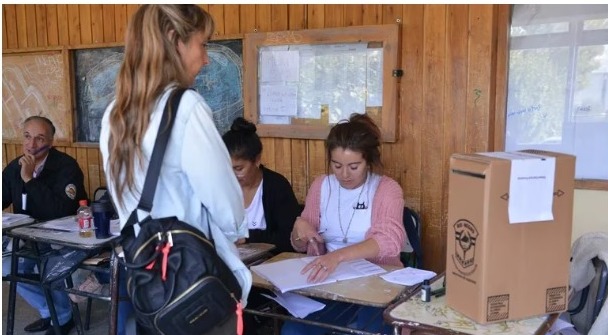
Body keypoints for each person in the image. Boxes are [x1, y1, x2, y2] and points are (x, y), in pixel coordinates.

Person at [99, 4, 252, 332]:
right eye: (203, 44)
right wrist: (235, 232)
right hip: (194, 278)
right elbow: (225, 200)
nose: (206, 58)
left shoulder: (114, 113)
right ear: (174, 40)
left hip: (148, 278)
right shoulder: (186, 106)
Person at [282, 113, 406, 335]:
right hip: (330, 284)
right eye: (337, 165)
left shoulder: (386, 189)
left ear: (368, 162)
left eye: (354, 166)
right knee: (293, 331)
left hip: (378, 284)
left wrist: (335, 257)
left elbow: (389, 242)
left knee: (370, 330)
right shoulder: (321, 186)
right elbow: (300, 245)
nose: (344, 174)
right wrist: (299, 228)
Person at [2, 115, 87, 335]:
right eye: (27, 137)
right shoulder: (15, 167)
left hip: (61, 239)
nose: (31, 145)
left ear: (51, 141)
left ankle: (64, 317)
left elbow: (60, 211)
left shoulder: (66, 167)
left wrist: (30, 180)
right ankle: (52, 311)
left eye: (39, 139)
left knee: (49, 265)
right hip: (25, 238)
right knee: (5, 267)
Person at [222, 117, 301, 254]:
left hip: (269, 264)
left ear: (257, 160)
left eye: (238, 169)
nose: (231, 175)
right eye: (226, 168)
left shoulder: (277, 187)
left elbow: (290, 240)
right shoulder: (219, 188)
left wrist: (248, 237)